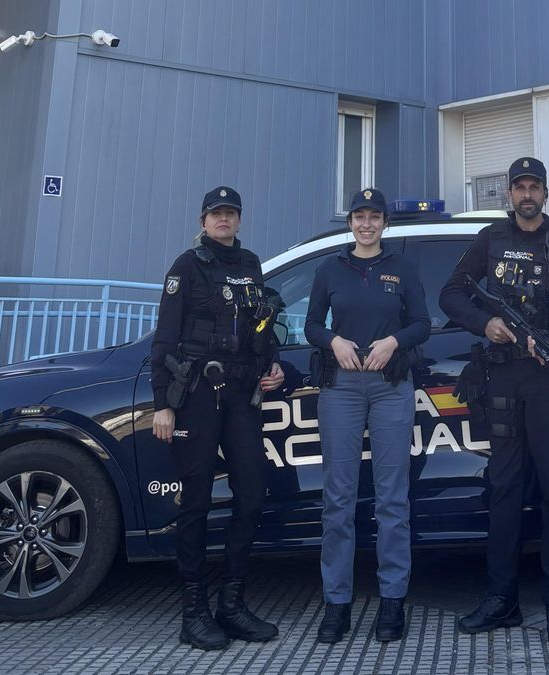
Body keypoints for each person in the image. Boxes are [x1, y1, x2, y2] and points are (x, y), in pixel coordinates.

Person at [438, 157, 549, 645]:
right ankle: (502, 597)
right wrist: (484, 323)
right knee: (504, 487)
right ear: (509, 193)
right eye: (519, 187)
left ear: (545, 194)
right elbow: (451, 294)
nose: (527, 195)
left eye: (534, 187)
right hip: (503, 379)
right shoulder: (489, 239)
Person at [151, 185, 286, 651]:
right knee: (196, 502)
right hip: (197, 396)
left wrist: (273, 364)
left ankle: (232, 604)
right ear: (204, 221)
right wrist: (163, 403)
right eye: (216, 214)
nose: (223, 219)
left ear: (239, 220)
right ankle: (194, 613)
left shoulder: (250, 265)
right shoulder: (186, 267)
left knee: (251, 493)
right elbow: (165, 339)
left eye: (230, 213)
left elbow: (260, 328)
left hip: (242, 395)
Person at [305, 188, 430, 643]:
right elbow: (311, 324)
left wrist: (394, 342)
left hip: (390, 387)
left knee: (391, 499)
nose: (366, 224)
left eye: (374, 217)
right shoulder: (330, 269)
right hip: (340, 388)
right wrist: (332, 341)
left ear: (384, 223)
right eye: (359, 216)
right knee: (338, 500)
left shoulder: (402, 268)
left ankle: (392, 601)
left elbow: (422, 323)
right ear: (350, 222)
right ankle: (336, 603)